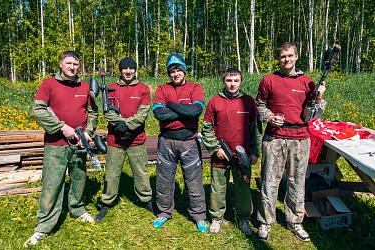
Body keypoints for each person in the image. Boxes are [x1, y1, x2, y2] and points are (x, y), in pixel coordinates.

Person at [24, 51, 99, 246]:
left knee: (79, 179)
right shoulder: (49, 84)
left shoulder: (84, 87)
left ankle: (77, 209)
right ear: (61, 64)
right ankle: (44, 225)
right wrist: (61, 127)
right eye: (69, 63)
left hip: (79, 144)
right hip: (55, 145)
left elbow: (93, 112)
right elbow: (38, 109)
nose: (72, 67)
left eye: (75, 64)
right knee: (52, 184)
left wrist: (88, 132)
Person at [256, 42, 326, 242]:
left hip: (299, 139)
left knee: (297, 182)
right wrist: (269, 116)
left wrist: (319, 98)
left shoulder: (307, 82)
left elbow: (311, 115)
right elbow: (259, 105)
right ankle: (265, 221)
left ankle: (295, 220)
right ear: (278, 59)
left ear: (296, 56)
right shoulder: (269, 80)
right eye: (282, 56)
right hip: (274, 138)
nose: (286, 59)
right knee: (269, 181)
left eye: (289, 55)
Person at [201, 68, 261, 235]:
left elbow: (256, 129)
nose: (232, 84)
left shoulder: (248, 101)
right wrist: (215, 148)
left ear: (240, 82)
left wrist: (255, 152)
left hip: (243, 156)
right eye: (229, 80)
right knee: (218, 187)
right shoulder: (214, 101)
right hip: (221, 154)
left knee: (243, 188)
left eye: (236, 80)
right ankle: (216, 217)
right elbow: (206, 129)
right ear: (223, 81)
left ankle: (243, 218)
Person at [151, 53, 208, 232]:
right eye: (172, 71)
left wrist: (171, 105)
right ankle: (164, 212)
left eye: (178, 70)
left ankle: (199, 215)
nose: (175, 74)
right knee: (163, 179)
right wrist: (184, 109)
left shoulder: (195, 87)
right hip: (166, 141)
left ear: (184, 71)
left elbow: (195, 111)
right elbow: (159, 114)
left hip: (189, 142)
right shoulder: (161, 88)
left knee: (194, 181)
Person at [94, 57, 153, 222]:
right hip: (116, 140)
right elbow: (107, 111)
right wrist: (118, 124)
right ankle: (107, 202)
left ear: (135, 70)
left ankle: (146, 200)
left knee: (141, 172)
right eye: (124, 68)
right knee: (112, 173)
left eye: (131, 68)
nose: (128, 71)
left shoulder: (143, 89)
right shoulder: (110, 88)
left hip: (136, 139)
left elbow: (143, 113)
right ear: (120, 70)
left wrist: (126, 125)